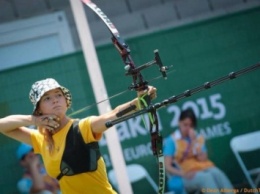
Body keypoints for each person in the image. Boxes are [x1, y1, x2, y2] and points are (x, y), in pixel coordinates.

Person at [0, 78, 157, 194]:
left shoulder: (82, 128)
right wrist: (33, 120)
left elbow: (113, 114)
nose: (55, 100)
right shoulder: (40, 139)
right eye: (47, 98)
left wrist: (138, 102)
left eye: (58, 95)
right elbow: (3, 127)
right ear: (39, 109)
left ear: (66, 101)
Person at [163, 109, 234, 194]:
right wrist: (183, 173)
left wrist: (194, 142)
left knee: (216, 172)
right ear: (179, 122)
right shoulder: (171, 140)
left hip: (201, 168)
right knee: (206, 178)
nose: (188, 128)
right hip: (184, 175)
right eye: (185, 125)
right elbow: (167, 166)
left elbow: (203, 159)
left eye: (191, 126)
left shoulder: (197, 137)